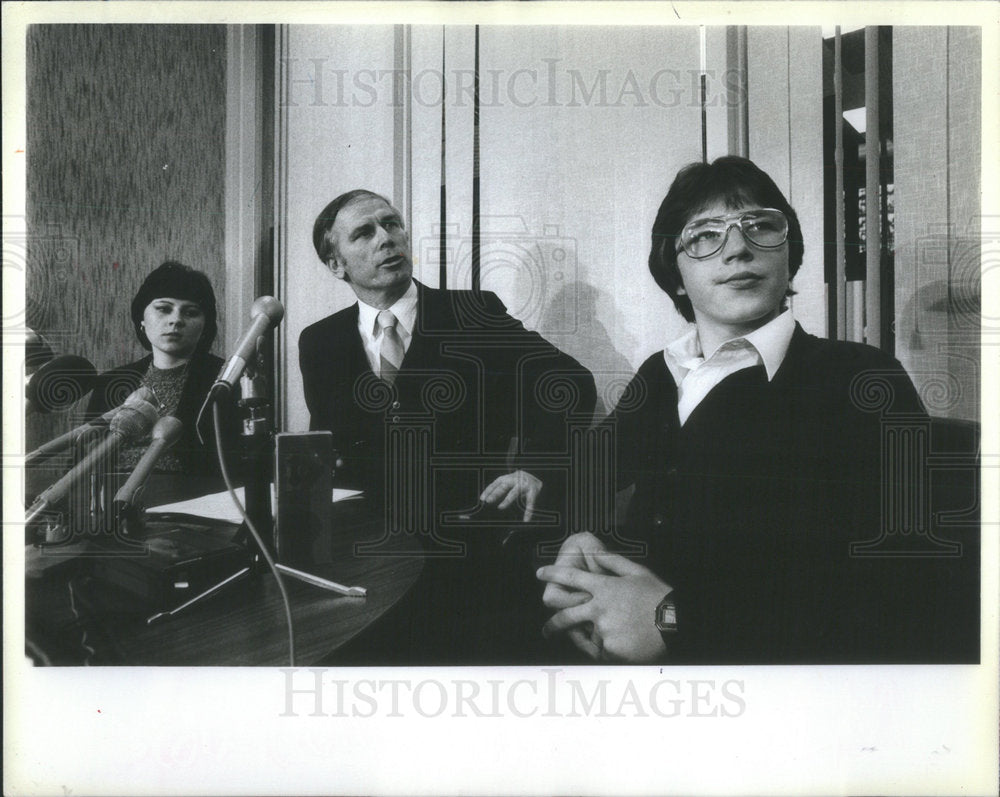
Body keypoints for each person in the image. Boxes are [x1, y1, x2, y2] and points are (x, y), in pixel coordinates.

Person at [536, 156, 979, 664]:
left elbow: (907, 584)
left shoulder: (862, 378)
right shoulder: (663, 371)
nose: (739, 248)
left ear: (788, 257)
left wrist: (673, 618)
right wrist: (578, 538)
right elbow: (587, 474)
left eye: (761, 227)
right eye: (705, 236)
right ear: (675, 275)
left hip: (770, 677)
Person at [300, 189, 596, 663]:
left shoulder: (473, 313)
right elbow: (329, 446)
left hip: (470, 553)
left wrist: (535, 467)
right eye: (364, 232)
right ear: (337, 265)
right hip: (368, 555)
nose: (387, 238)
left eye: (391, 224)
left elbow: (569, 384)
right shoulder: (320, 341)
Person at [86, 261, 233, 478]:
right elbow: (82, 459)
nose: (176, 320)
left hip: (187, 500)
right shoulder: (110, 382)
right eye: (164, 309)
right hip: (108, 499)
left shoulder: (225, 379)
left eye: (191, 313)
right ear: (142, 320)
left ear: (204, 327)